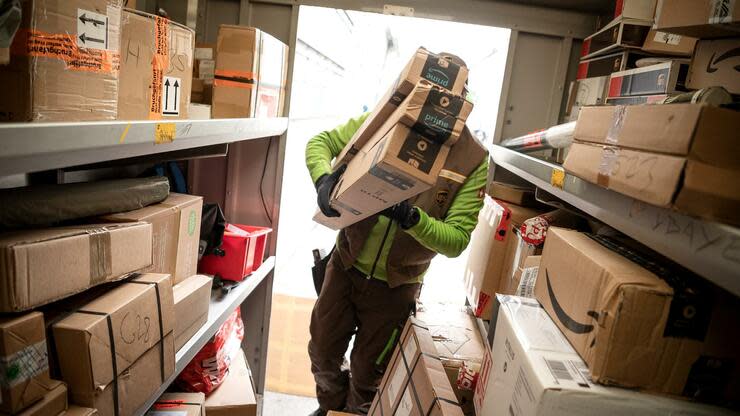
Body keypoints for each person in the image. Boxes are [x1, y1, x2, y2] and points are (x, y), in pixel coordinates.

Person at [305, 54, 488, 416]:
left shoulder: (473, 160)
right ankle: (330, 409)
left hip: (396, 287)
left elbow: (456, 240)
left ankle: (354, 415)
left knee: (368, 372)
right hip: (345, 265)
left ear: (461, 101)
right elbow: (322, 141)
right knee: (322, 353)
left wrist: (411, 218)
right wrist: (323, 177)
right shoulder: (389, 121)